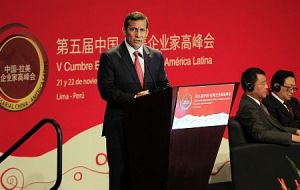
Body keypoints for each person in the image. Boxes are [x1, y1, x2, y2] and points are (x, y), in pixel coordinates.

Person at [97, 11, 170, 190]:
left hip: (148, 127)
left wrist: (155, 97)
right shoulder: (110, 57)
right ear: (124, 30)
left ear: (147, 32)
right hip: (120, 125)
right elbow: (107, 90)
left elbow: (164, 85)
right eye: (133, 29)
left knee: (146, 175)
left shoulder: (156, 56)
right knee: (120, 176)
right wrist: (135, 98)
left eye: (142, 30)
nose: (138, 35)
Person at [236, 67, 300, 144]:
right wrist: (294, 138)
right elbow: (261, 134)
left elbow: (275, 127)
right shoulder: (248, 107)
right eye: (263, 84)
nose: (266, 86)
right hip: (267, 150)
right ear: (250, 87)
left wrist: (296, 131)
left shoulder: (256, 104)